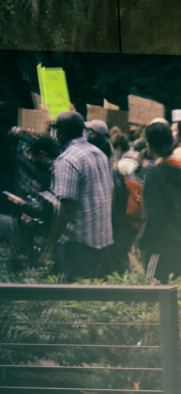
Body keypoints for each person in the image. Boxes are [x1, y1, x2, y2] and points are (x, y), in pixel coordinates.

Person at [43, 110, 114, 280]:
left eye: (57, 129)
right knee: (91, 299)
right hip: (102, 241)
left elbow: (66, 208)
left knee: (74, 298)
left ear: (62, 132)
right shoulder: (99, 153)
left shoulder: (67, 160)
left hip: (78, 244)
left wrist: (50, 247)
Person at [136, 121, 181, 282]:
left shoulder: (154, 174)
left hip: (161, 246)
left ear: (149, 146)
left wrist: (143, 241)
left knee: (156, 293)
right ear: (172, 143)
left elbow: (154, 215)